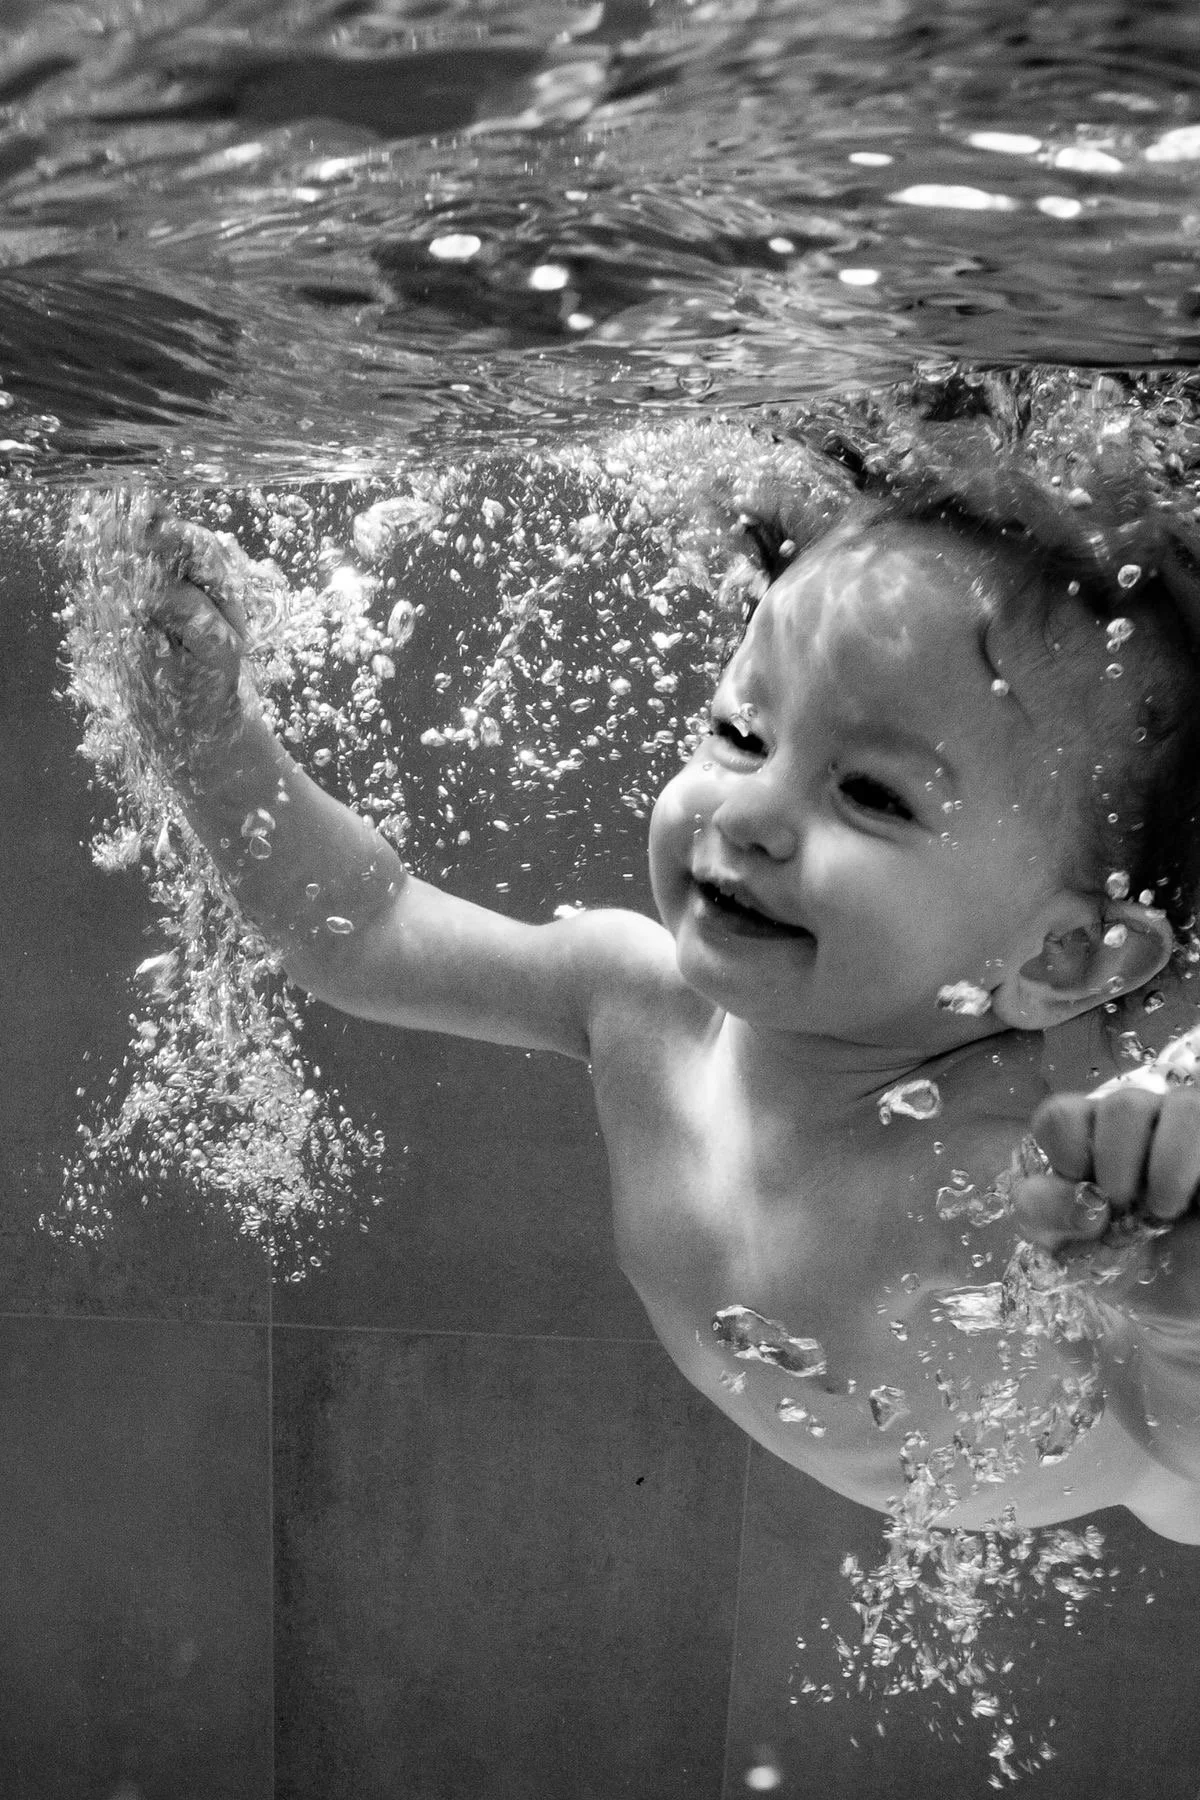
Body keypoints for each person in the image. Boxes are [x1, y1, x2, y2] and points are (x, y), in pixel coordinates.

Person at [126, 369, 1200, 1543]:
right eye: (744, 733)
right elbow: (371, 936)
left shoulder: (1028, 1169)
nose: (748, 815)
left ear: (1060, 959)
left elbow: (1166, 1424)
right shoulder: (632, 1001)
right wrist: (213, 743)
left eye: (874, 795)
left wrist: (1170, 1310)